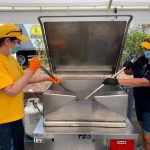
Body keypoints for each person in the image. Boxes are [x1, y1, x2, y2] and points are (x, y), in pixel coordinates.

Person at [0, 23, 61, 150]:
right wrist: (31, 69)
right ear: (7, 41)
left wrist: (47, 77)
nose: (19, 45)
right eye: (17, 42)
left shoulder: (10, 59)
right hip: (3, 120)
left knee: (19, 146)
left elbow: (25, 79)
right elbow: (11, 90)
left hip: (16, 115)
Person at [102, 37, 150, 150]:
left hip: (149, 106)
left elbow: (145, 82)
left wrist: (117, 81)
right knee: (143, 129)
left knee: (148, 136)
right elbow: (130, 72)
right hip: (140, 102)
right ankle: (144, 148)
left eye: (148, 48)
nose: (145, 50)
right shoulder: (142, 59)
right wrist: (126, 66)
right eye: (145, 47)